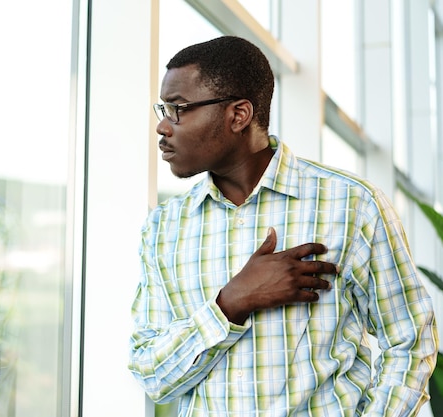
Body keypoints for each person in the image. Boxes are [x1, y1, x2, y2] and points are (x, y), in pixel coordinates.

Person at [128, 35, 438, 416]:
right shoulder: (163, 228)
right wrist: (231, 303)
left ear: (238, 115)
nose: (162, 126)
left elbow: (410, 341)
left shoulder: (352, 204)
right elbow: (152, 375)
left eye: (178, 109)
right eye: (163, 109)